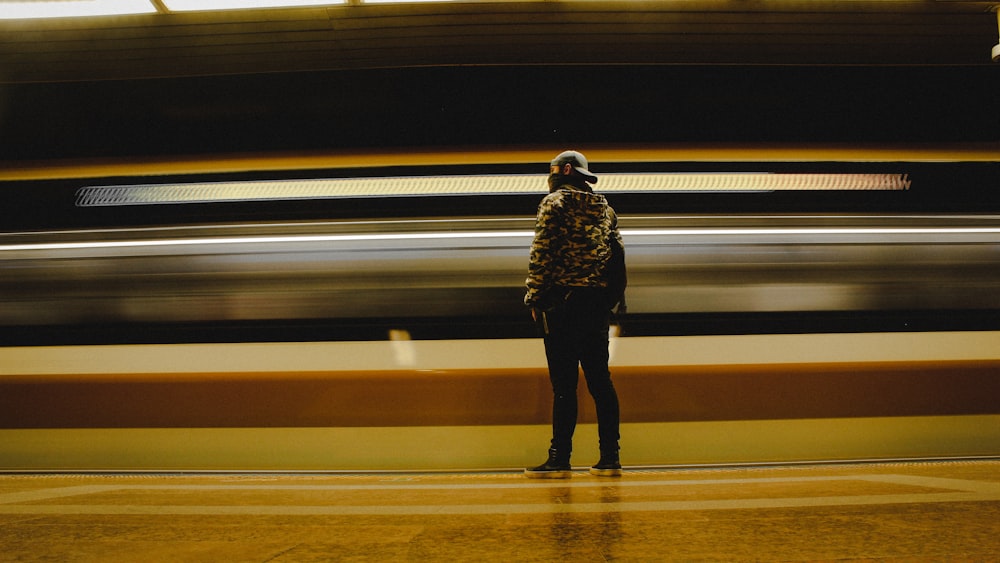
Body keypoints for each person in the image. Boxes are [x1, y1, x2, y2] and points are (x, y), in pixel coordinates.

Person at [524, 150, 625, 478]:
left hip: (562, 307)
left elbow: (541, 254)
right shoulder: (606, 210)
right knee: (601, 382)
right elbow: (616, 256)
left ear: (564, 171)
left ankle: (560, 457)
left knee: (564, 387)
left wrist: (534, 299)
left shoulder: (553, 204)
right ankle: (610, 457)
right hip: (595, 308)